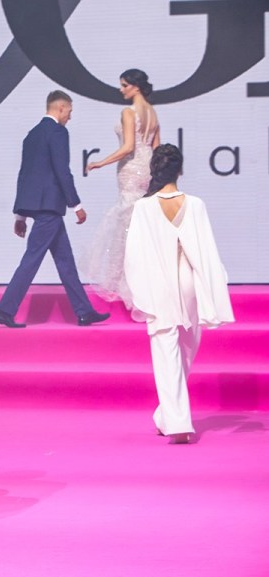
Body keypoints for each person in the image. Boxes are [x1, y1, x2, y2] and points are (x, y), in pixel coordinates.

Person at [124, 144, 234, 444]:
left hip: (158, 283)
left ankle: (176, 421)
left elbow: (134, 256)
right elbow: (207, 251)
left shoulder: (144, 208)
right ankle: (169, 417)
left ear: (155, 170)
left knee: (167, 352)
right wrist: (214, 284)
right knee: (186, 350)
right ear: (180, 170)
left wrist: (139, 290)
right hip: (189, 283)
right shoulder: (195, 204)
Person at [0, 91, 110, 328]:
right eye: (70, 112)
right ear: (61, 108)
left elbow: (25, 174)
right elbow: (62, 170)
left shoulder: (32, 135)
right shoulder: (57, 132)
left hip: (40, 206)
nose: (70, 117)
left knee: (65, 262)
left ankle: (84, 312)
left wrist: (20, 215)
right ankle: (4, 310)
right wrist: (76, 205)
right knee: (32, 258)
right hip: (50, 207)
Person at [84, 69, 160, 308]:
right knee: (141, 225)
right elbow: (157, 150)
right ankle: (144, 283)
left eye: (124, 85)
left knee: (127, 226)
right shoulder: (152, 113)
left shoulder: (128, 112)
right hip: (147, 169)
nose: (121, 89)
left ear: (135, 87)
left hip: (131, 169)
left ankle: (126, 285)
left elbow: (128, 147)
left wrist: (101, 162)